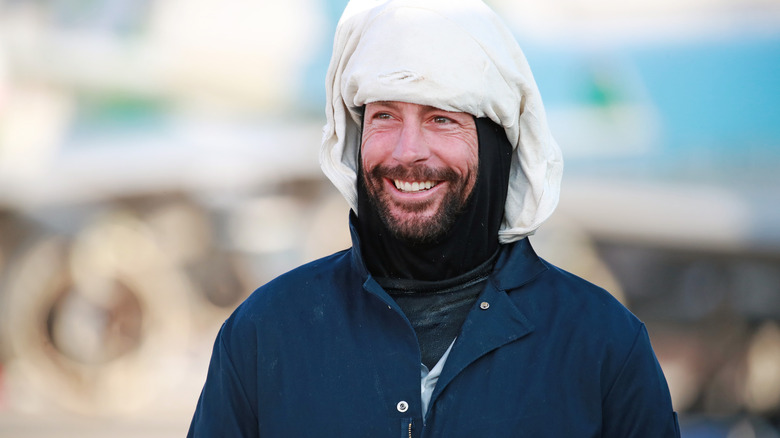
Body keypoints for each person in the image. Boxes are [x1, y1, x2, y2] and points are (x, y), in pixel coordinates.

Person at [188, 0, 680, 436]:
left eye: (441, 118)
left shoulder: (601, 347)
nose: (407, 151)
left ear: (493, 147)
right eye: (384, 116)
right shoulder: (265, 333)